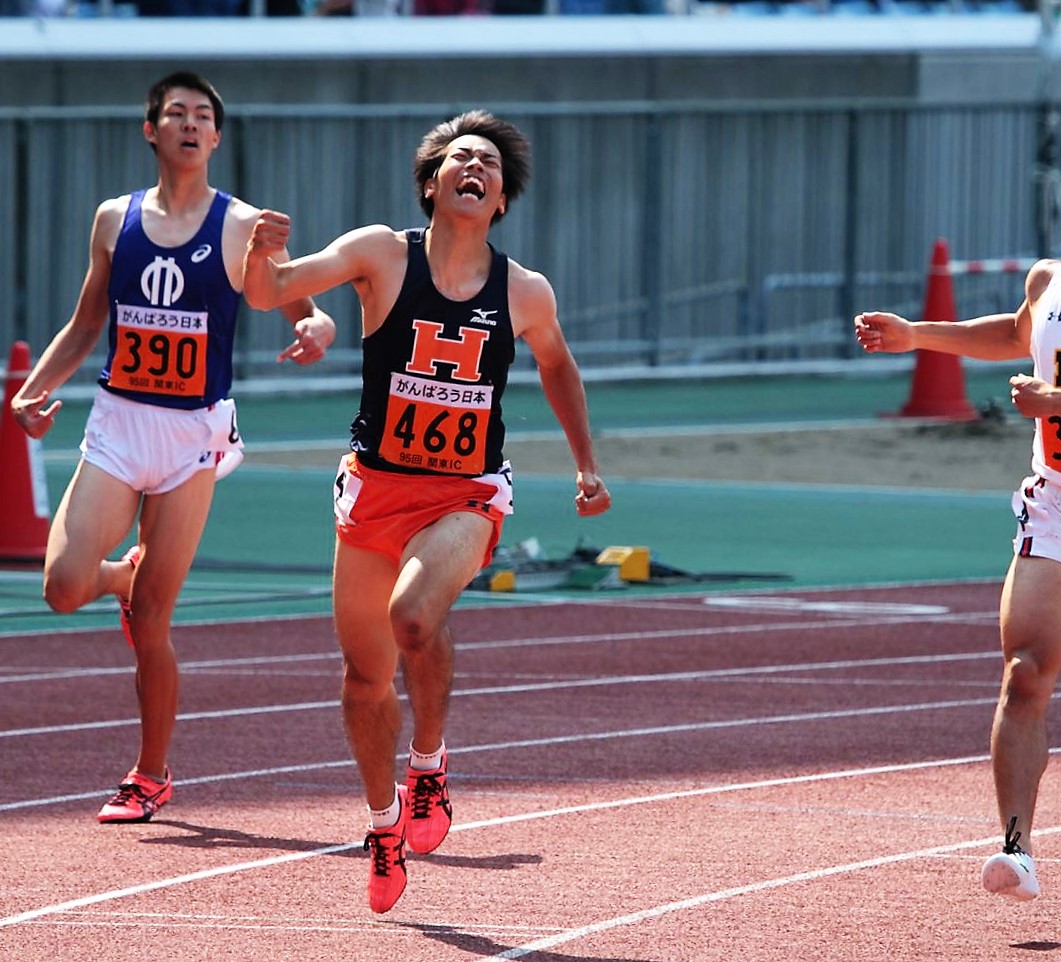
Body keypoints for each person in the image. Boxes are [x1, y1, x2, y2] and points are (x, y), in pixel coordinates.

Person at [241, 109, 612, 914]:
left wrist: (586, 464)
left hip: (465, 493)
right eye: (458, 158)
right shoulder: (379, 253)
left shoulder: (524, 290)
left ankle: (430, 764)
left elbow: (558, 368)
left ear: (502, 198)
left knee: (412, 618)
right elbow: (272, 290)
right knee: (362, 678)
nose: (472, 166)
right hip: (375, 489)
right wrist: (261, 254)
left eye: (487, 163)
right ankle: (381, 828)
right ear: (432, 183)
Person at [855, 133, 1061, 901]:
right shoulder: (1047, 280)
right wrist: (917, 335)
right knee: (1023, 673)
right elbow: (1012, 335)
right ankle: (1016, 845)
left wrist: (1059, 402)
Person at [10, 71, 336, 825]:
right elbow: (88, 322)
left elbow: (303, 310)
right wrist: (28, 392)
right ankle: (119, 581)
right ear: (150, 131)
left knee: (155, 619)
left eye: (203, 116)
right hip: (120, 422)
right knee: (61, 588)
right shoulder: (112, 218)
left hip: (192, 435)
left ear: (216, 138)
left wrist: (312, 333)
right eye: (175, 114)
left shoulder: (241, 224)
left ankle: (149, 774)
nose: (190, 124)